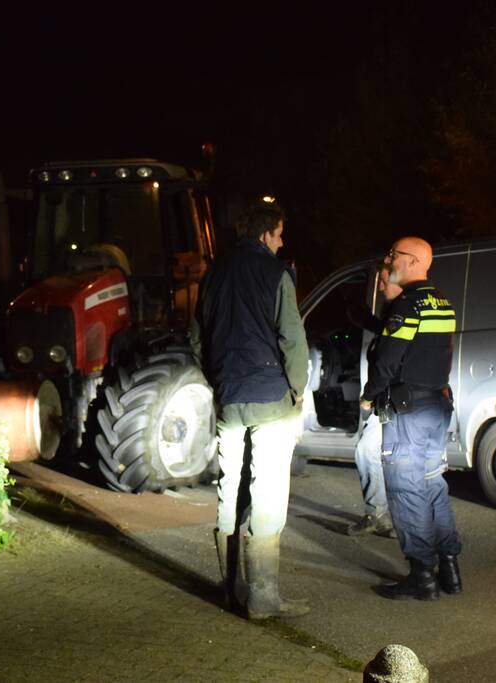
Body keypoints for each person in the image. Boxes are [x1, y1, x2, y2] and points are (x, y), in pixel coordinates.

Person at [189, 201, 310, 620]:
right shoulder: (276, 274)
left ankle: (229, 590)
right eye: (279, 235)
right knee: (268, 490)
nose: (282, 242)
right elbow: (292, 339)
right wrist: (297, 389)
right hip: (269, 396)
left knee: (229, 486)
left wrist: (218, 379)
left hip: (230, 396)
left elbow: (198, 337)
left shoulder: (214, 275)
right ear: (265, 234)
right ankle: (263, 597)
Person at [359, 236, 463, 601]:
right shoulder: (441, 301)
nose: (388, 261)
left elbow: (389, 359)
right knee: (433, 486)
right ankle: (449, 567)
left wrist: (369, 396)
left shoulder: (408, 305)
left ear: (415, 260)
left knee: (406, 491)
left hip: (407, 413)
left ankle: (422, 578)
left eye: (393, 255)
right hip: (435, 408)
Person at [347, 270, 402, 537]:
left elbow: (387, 364)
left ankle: (399, 520)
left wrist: (369, 396)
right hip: (392, 401)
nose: (380, 288)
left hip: (399, 402)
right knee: (368, 451)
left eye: (383, 283)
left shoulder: (402, 314)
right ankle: (379, 514)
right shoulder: (392, 317)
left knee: (374, 452)